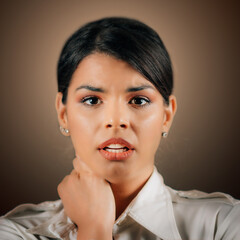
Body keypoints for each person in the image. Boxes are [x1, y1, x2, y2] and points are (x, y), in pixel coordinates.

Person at [0, 17, 239, 240]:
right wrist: (94, 227)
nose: (116, 121)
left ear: (167, 115)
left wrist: (94, 228)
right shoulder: (17, 231)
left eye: (138, 100)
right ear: (63, 114)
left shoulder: (224, 223)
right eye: (92, 100)